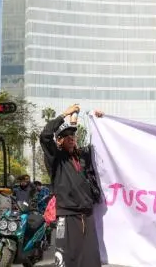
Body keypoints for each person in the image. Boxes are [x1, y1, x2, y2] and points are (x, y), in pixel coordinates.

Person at [40, 104, 104, 267]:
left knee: (91, 258)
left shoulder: (82, 157)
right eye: (65, 136)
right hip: (67, 215)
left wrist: (100, 122)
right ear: (58, 141)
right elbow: (45, 136)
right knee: (67, 258)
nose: (71, 138)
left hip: (87, 214)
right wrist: (64, 115)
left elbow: (101, 148)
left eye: (72, 135)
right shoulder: (56, 158)